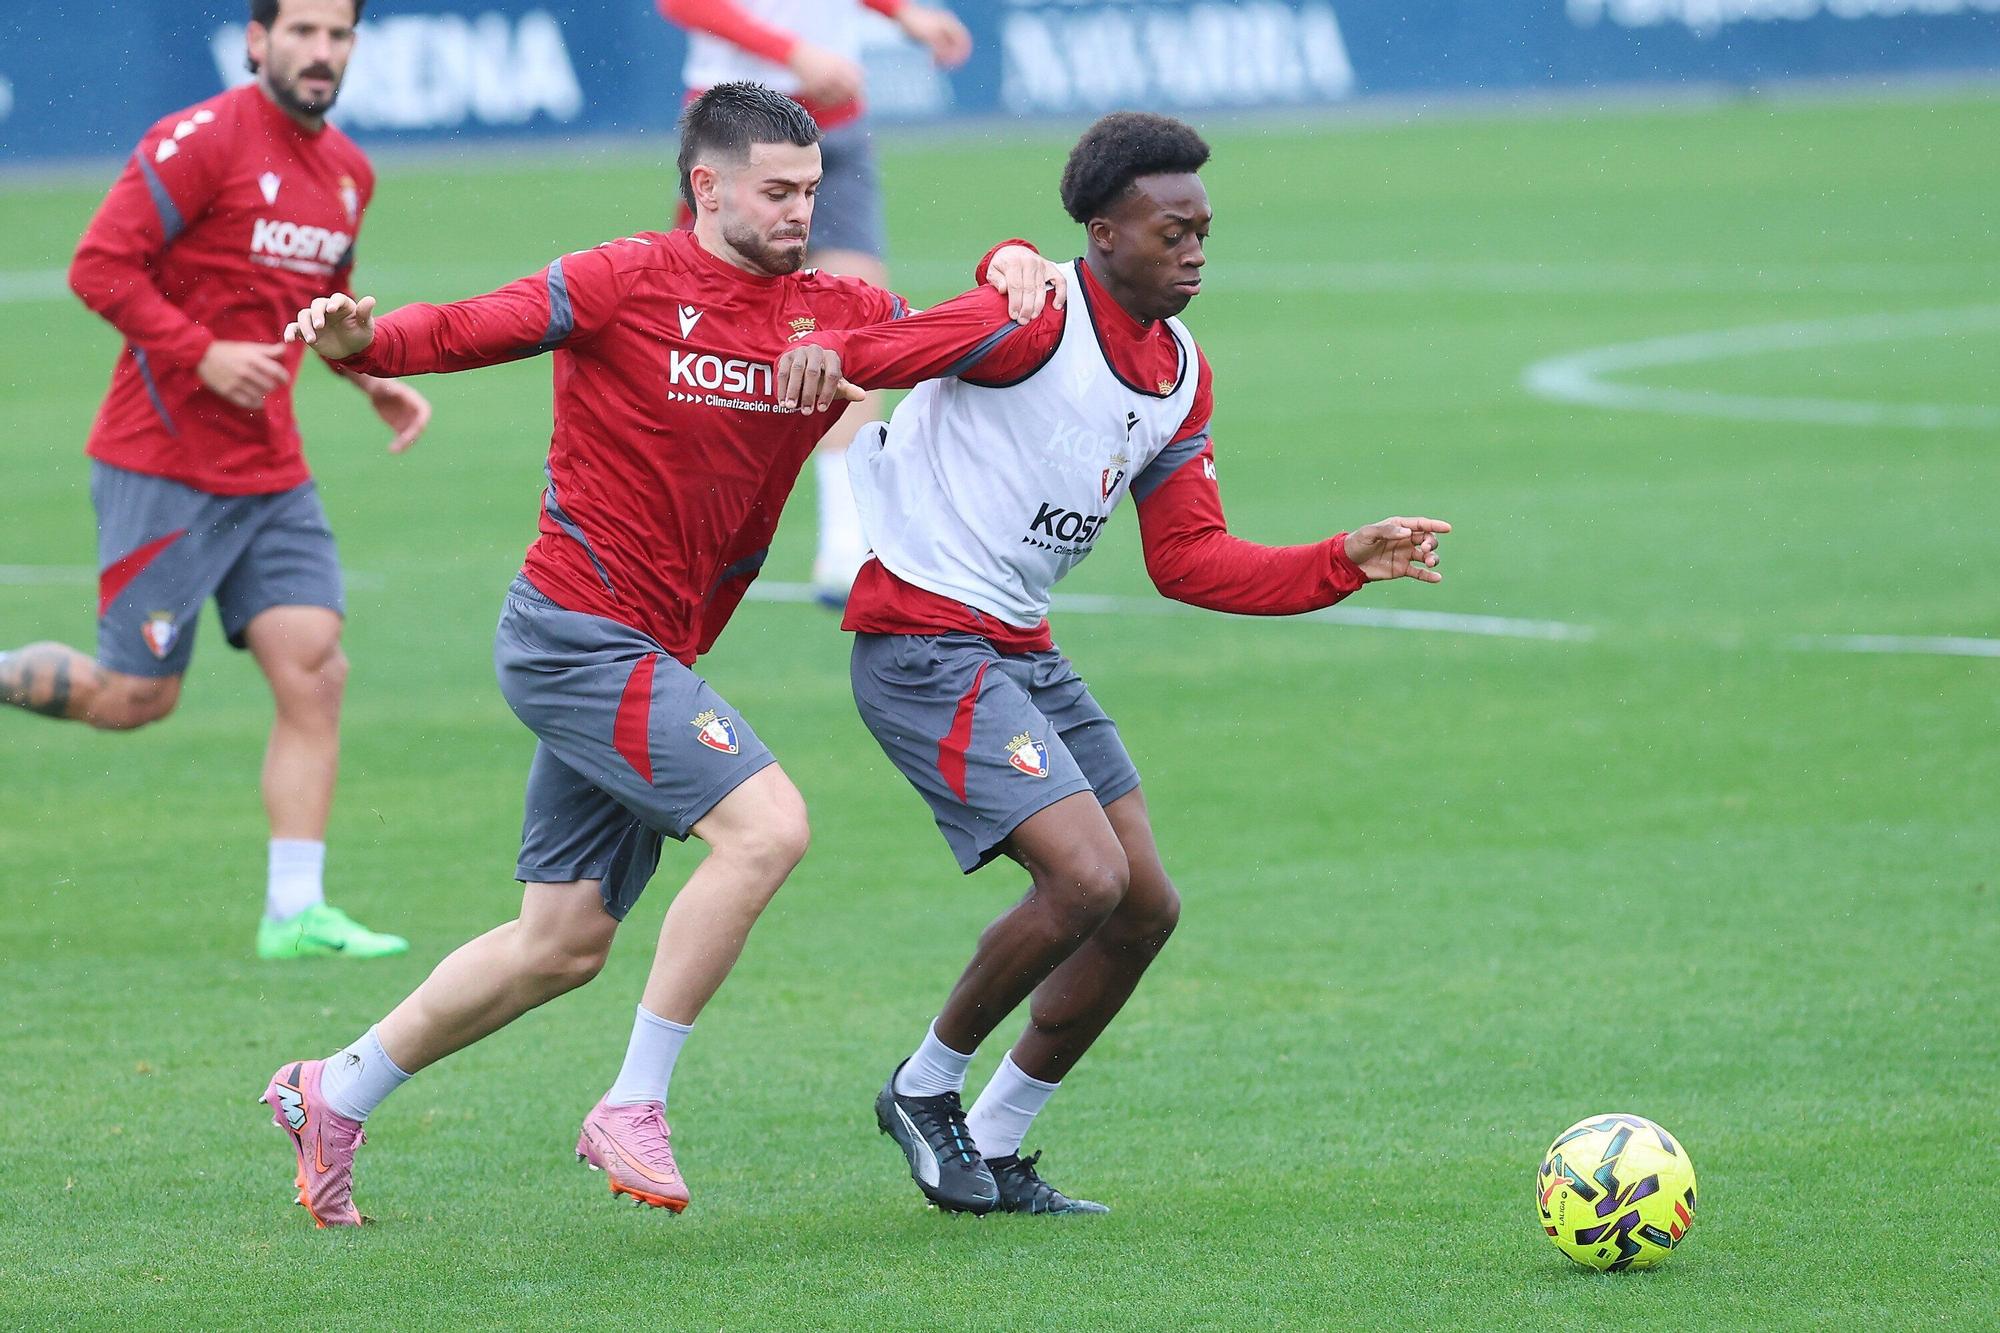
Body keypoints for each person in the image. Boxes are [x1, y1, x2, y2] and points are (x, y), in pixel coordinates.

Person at [259, 82, 1063, 1228]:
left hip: (649, 653)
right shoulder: (620, 280)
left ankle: (330, 1091)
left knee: (561, 942)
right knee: (768, 826)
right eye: (777, 192)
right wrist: (360, 343)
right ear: (707, 185)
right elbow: (453, 329)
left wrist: (1016, 255)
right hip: (574, 630)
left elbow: (981, 325)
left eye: (811, 191)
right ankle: (633, 1102)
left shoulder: (834, 309)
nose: (801, 212)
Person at [776, 111, 1451, 1214]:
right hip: (922, 643)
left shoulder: (1181, 374)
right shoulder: (1028, 323)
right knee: (1083, 878)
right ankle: (924, 1085)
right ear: (1099, 234)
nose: (1192, 249)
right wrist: (838, 350)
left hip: (1018, 650)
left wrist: (1342, 559)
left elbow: (1187, 560)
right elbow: (881, 348)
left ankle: (992, 1141)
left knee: (1142, 906)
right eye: (1169, 229)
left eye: (1202, 230)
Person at [0, 0, 429, 962]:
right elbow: (97, 267)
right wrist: (200, 353)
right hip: (162, 462)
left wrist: (372, 382)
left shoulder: (350, 174)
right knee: (134, 697)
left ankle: (295, 911)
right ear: (256, 39)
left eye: (339, 35)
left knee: (315, 668)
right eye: (304, 32)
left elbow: (317, 310)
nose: (322, 52)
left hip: (270, 469)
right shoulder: (197, 142)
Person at [658, 0, 972, 605]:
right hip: (735, 135)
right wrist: (793, 53)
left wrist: (901, 13)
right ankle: (665, 525)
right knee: (695, 340)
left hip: (835, 123)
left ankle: (847, 545)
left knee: (856, 329)